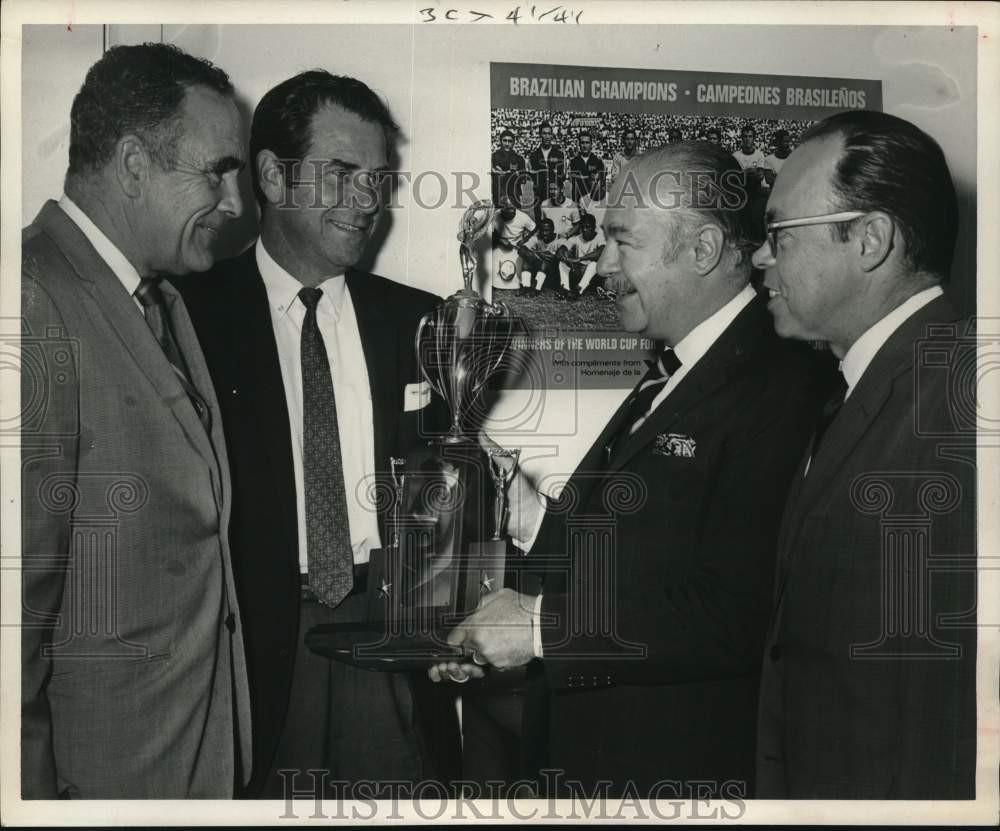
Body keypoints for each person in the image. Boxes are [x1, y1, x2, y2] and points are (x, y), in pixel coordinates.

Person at [433, 142, 826, 797]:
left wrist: (535, 630)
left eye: (622, 241)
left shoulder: (781, 384)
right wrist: (527, 516)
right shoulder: (678, 365)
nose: (601, 263)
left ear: (702, 249)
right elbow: (648, 545)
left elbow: (735, 611)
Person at [175, 70, 455, 799]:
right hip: (249, 640)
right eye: (342, 174)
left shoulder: (421, 321)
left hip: (386, 630)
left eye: (379, 179)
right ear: (271, 174)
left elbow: (445, 492)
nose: (367, 201)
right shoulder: (189, 315)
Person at [20, 42, 250, 799]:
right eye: (216, 171)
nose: (235, 204)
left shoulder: (163, 299)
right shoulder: (31, 301)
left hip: (195, 770)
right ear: (131, 165)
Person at [751, 110, 976, 799]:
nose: (761, 257)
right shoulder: (870, 382)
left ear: (871, 239)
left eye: (779, 234)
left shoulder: (954, 406)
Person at [492, 197, 537, 292]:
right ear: (502, 209)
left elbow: (535, 229)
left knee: (514, 273)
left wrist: (525, 240)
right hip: (500, 245)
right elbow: (488, 232)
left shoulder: (523, 217)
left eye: (514, 209)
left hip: (516, 247)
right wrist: (500, 240)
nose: (512, 211)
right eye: (508, 208)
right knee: (495, 273)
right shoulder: (495, 215)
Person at [562, 213, 606, 298]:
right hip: (579, 270)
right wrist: (563, 253)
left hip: (594, 275)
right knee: (562, 263)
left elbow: (602, 250)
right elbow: (564, 246)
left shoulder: (600, 238)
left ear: (594, 227)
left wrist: (580, 259)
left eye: (588, 227)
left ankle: (579, 289)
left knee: (594, 264)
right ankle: (565, 288)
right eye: (583, 227)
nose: (585, 230)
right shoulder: (577, 238)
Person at [527, 121, 566, 210]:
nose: (547, 136)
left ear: (552, 135)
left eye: (549, 133)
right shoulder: (534, 155)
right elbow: (531, 174)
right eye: (544, 133)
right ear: (540, 135)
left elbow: (562, 175)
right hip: (539, 195)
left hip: (555, 195)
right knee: (539, 220)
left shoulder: (559, 154)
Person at [491, 128, 527, 208]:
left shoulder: (519, 159)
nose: (507, 144)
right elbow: (491, 173)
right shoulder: (493, 157)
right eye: (505, 140)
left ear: (513, 143)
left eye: (510, 141)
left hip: (514, 196)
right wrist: (512, 173)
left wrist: (502, 173)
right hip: (498, 196)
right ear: (500, 141)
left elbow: (523, 179)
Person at [569, 132, 606, 203]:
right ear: (579, 144)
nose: (585, 145)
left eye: (587, 143)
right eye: (582, 143)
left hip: (593, 203)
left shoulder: (598, 162)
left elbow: (601, 184)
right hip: (578, 202)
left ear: (591, 144)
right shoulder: (573, 162)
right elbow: (573, 180)